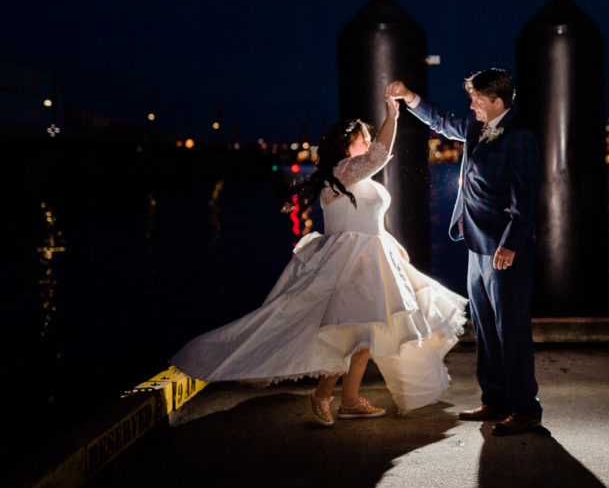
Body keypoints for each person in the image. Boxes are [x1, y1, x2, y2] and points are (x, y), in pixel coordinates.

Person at [170, 96, 467, 425]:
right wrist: (391, 115)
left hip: (374, 260)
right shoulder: (340, 173)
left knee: (367, 337)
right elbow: (380, 155)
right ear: (345, 145)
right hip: (349, 263)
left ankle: (349, 400)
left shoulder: (358, 178)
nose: (368, 142)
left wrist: (393, 244)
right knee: (354, 336)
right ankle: (323, 394)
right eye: (362, 138)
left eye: (369, 138)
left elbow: (372, 219)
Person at [388, 68, 544, 436]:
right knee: (485, 327)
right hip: (476, 244)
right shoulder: (476, 127)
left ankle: (525, 410)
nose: (471, 105)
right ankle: (495, 399)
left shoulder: (520, 136)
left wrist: (510, 243)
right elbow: (443, 122)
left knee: (512, 330)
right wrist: (410, 98)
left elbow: (527, 196)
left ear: (498, 101)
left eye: (477, 99)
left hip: (504, 249)